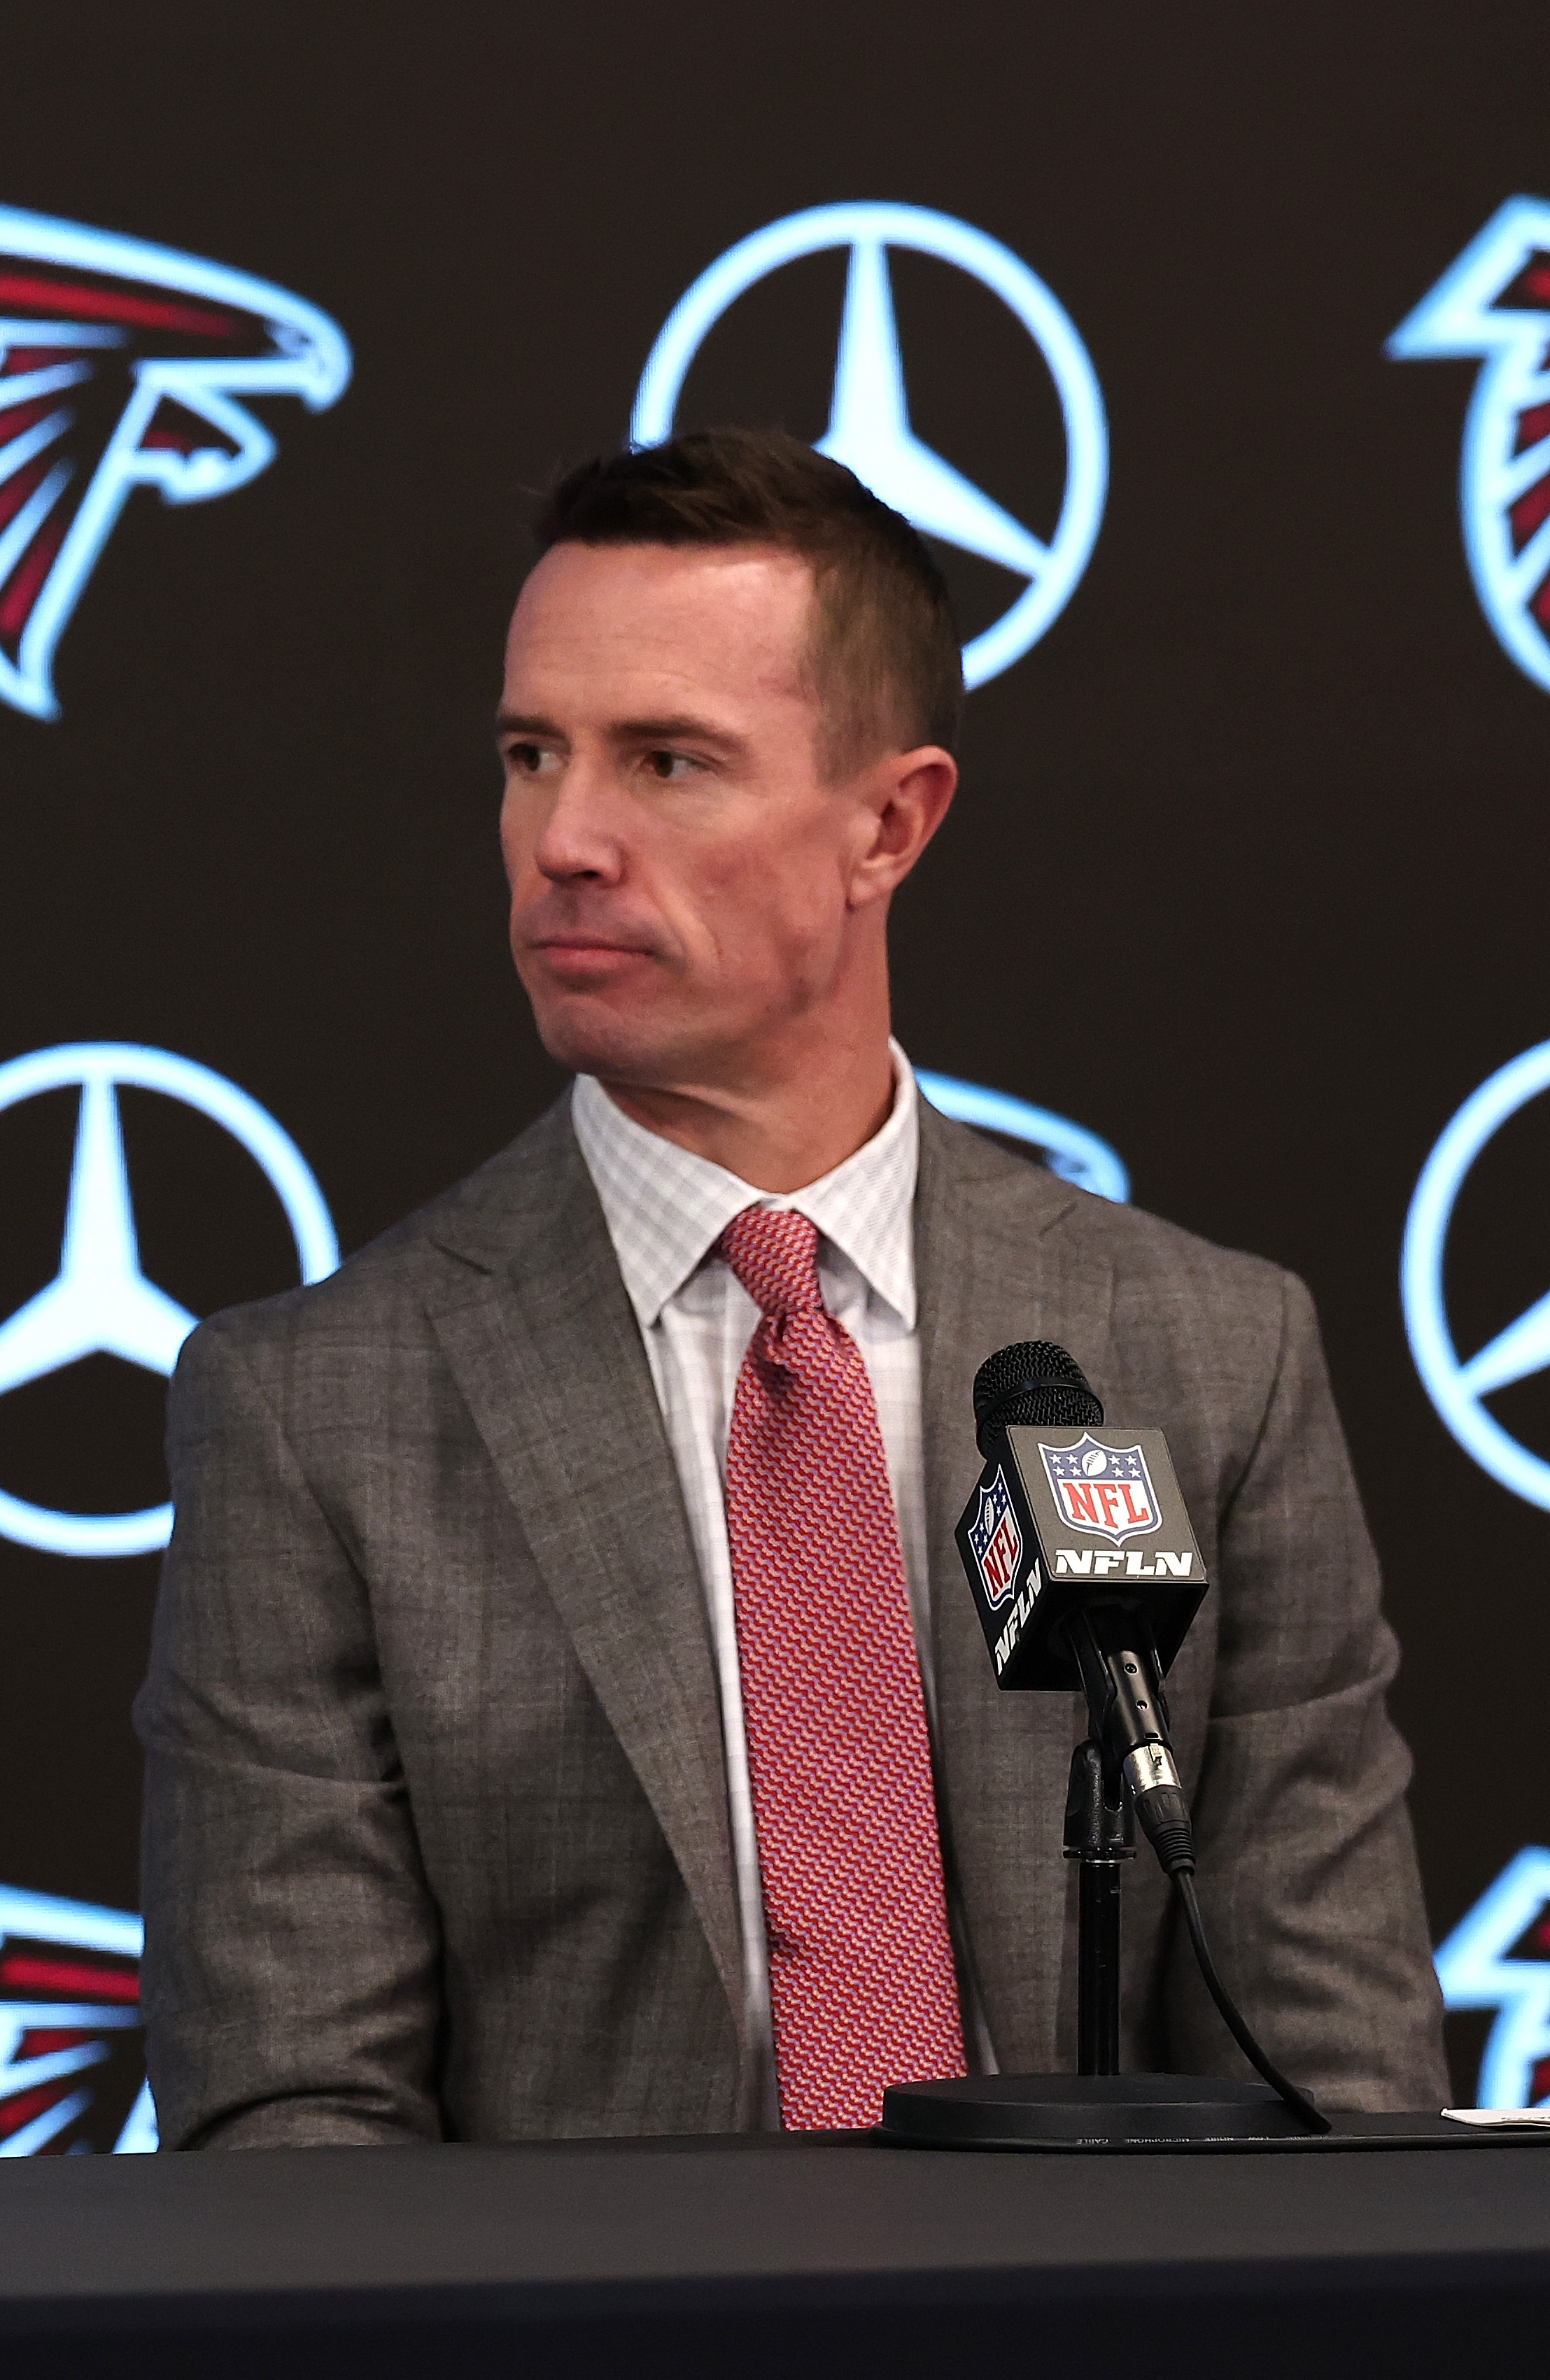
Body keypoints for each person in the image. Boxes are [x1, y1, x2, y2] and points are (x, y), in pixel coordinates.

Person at [135, 430, 1448, 2145]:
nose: (565, 838)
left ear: (888, 822)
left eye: (668, 762)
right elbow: (292, 2134)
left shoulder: (1207, 1351)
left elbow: (1335, 2083)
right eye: (532, 755)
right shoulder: (315, 1409)